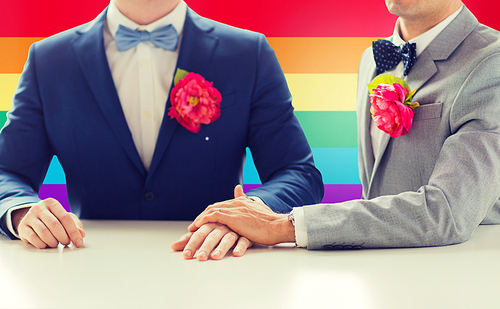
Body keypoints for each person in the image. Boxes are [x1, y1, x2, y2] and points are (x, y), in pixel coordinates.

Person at [0, 0, 324, 254]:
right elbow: (7, 171)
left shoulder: (248, 54)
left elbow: (298, 172)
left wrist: (249, 214)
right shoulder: (49, 60)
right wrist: (20, 211)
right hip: (89, 269)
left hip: (216, 269)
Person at [179, 0, 500, 253]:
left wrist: (284, 226)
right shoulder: (373, 60)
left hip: (457, 276)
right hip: (382, 274)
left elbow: (448, 212)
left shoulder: (491, 63)